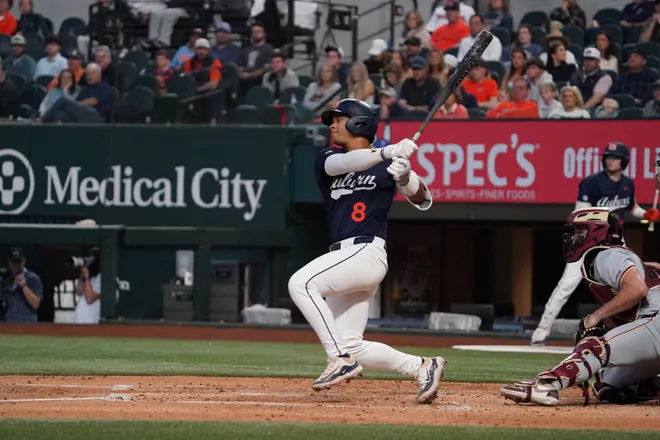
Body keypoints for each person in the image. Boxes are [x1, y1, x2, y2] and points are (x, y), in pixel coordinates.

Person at [288, 98, 445, 404]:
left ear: (359, 122)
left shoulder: (387, 165)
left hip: (366, 251)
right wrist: (387, 152)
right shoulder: (327, 159)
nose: (332, 124)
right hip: (345, 258)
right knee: (352, 343)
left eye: (338, 118)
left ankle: (338, 359)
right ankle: (423, 367)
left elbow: (424, 199)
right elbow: (348, 163)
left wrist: (405, 176)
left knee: (301, 283)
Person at [503, 206, 660, 406]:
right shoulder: (619, 256)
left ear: (597, 230)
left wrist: (595, 317)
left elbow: (637, 289)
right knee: (608, 385)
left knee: (593, 347)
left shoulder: (606, 255)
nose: (575, 237)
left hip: (656, 322)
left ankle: (547, 386)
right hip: (653, 326)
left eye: (580, 231)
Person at [530, 143, 659, 345]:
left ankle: (624, 332)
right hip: (589, 241)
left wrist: (645, 214)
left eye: (615, 157)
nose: (610, 160)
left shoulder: (627, 183)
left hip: (615, 243)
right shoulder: (591, 183)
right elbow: (579, 215)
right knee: (566, 285)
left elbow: (631, 206)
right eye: (608, 156)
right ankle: (541, 330)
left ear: (624, 161)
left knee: (627, 285)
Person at [0, 247, 42, 323]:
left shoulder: (33, 278)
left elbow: (35, 305)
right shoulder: (4, 278)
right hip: (7, 323)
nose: (16, 264)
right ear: (9, 262)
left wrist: (24, 286)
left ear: (24, 261)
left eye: (18, 261)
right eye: (13, 261)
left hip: (27, 323)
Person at [74, 247, 102, 324]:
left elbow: (90, 298)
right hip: (81, 319)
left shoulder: (103, 277)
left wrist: (86, 277)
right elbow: (79, 291)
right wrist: (82, 275)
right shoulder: (91, 277)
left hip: (91, 319)